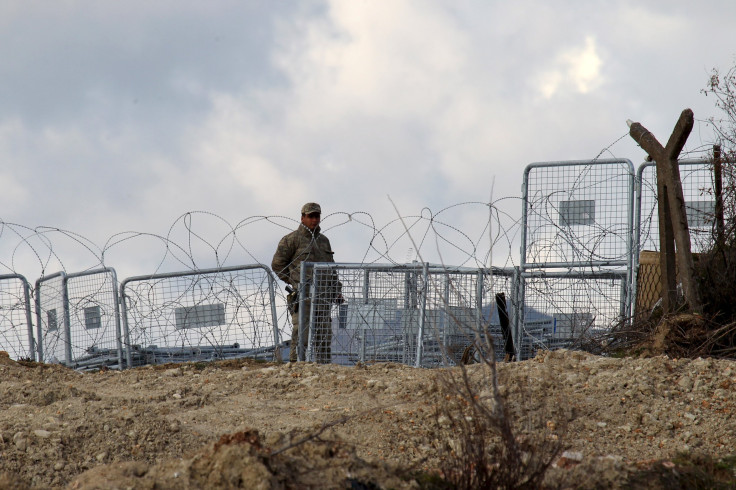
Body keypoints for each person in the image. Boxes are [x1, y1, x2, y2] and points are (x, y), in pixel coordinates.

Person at [271, 203, 342, 363]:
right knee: (301, 334)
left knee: (323, 336)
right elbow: (277, 264)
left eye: (317, 216)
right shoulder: (291, 240)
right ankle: (297, 366)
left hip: (323, 297)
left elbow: (331, 267)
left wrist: (336, 289)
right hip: (303, 297)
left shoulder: (324, 241)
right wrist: (295, 281)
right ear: (303, 217)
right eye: (311, 216)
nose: (314, 220)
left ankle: (323, 367)